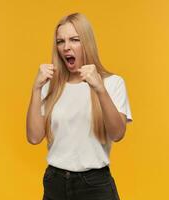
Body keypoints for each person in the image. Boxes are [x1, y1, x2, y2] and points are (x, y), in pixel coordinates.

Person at [26, 12, 133, 200]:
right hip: (55, 182)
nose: (66, 47)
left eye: (74, 40)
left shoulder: (112, 83)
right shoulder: (51, 86)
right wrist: (36, 88)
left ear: (87, 42)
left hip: (94, 185)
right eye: (60, 41)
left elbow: (118, 134)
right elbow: (34, 137)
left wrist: (100, 89)